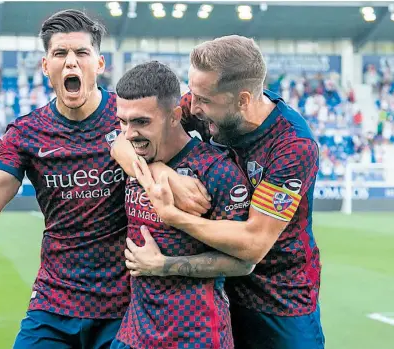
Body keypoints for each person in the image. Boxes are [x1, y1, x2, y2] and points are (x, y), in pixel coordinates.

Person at [0, 9, 209, 349]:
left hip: (125, 307)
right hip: (54, 304)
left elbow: (192, 126)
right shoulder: (27, 132)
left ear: (99, 64)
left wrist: (165, 172)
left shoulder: (130, 116)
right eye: (60, 53)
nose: (71, 62)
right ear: (46, 66)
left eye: (81, 53)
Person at [114, 36, 325, 349]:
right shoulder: (202, 102)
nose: (193, 106)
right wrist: (161, 173)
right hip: (217, 294)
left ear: (242, 100)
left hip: (280, 300)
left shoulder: (291, 146)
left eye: (204, 100)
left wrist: (172, 216)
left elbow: (253, 244)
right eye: (193, 95)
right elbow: (120, 141)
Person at [110, 61, 254, 349]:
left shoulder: (216, 172)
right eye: (123, 122)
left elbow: (244, 262)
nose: (129, 133)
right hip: (134, 334)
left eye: (141, 122)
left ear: (175, 116)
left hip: (196, 336)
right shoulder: (137, 160)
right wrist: (160, 171)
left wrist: (164, 266)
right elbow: (117, 144)